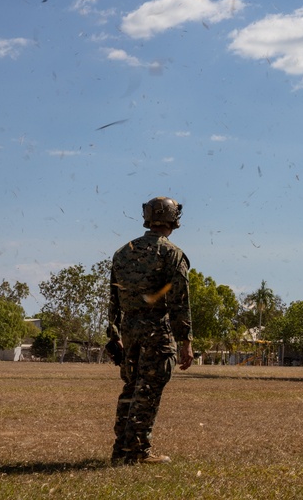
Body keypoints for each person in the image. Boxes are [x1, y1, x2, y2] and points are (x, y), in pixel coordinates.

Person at [108, 196, 194, 465]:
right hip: (156, 327)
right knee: (149, 389)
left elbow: (113, 297)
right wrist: (186, 341)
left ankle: (120, 450)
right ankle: (136, 452)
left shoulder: (123, 252)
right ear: (172, 218)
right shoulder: (172, 254)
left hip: (129, 328)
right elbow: (180, 300)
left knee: (132, 387)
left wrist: (114, 335)